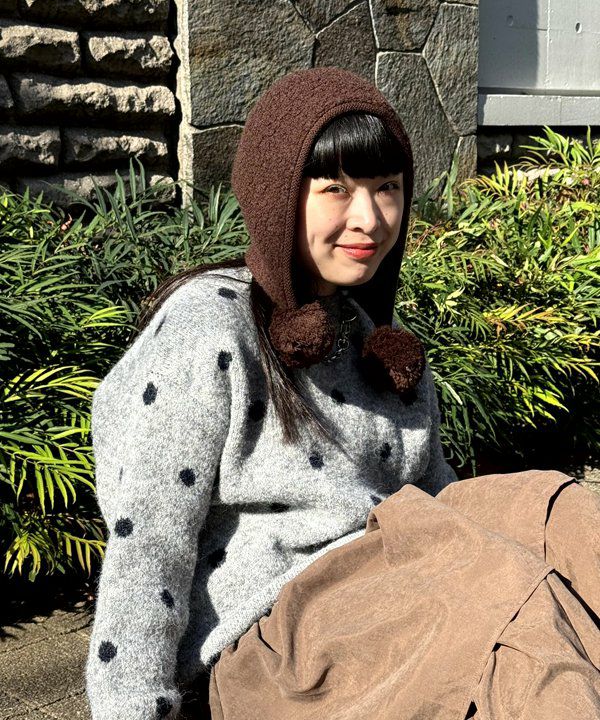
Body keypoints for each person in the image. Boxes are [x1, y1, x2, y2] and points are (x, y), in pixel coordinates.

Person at [85, 68, 600, 720]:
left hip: (390, 576)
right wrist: (133, 707)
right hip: (277, 637)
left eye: (387, 188)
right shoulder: (208, 327)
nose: (370, 218)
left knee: (555, 511)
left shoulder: (376, 344)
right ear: (278, 197)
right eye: (336, 189)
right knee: (508, 604)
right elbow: (147, 544)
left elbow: (440, 502)